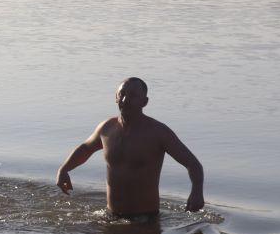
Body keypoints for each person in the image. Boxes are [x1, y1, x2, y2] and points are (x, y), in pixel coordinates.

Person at [56, 77, 204, 219]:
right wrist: (64, 169)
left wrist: (196, 191)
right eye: (122, 94)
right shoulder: (107, 128)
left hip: (146, 219)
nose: (125, 100)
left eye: (133, 96)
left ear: (144, 102)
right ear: (116, 97)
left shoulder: (158, 132)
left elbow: (193, 164)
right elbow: (85, 149)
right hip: (110, 215)